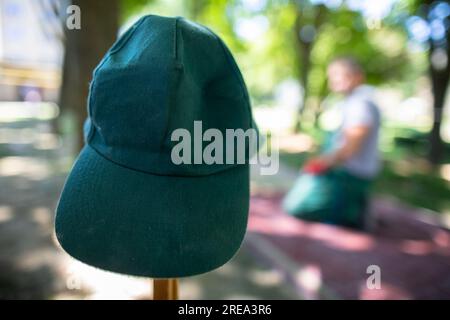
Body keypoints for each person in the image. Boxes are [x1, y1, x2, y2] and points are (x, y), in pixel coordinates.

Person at [283, 56, 381, 230]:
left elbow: (349, 149)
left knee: (296, 206)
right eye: (333, 76)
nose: (335, 81)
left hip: (349, 174)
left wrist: (319, 164)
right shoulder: (353, 102)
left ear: (358, 76)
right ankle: (352, 207)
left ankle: (353, 212)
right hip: (345, 170)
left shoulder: (360, 104)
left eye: (341, 75)